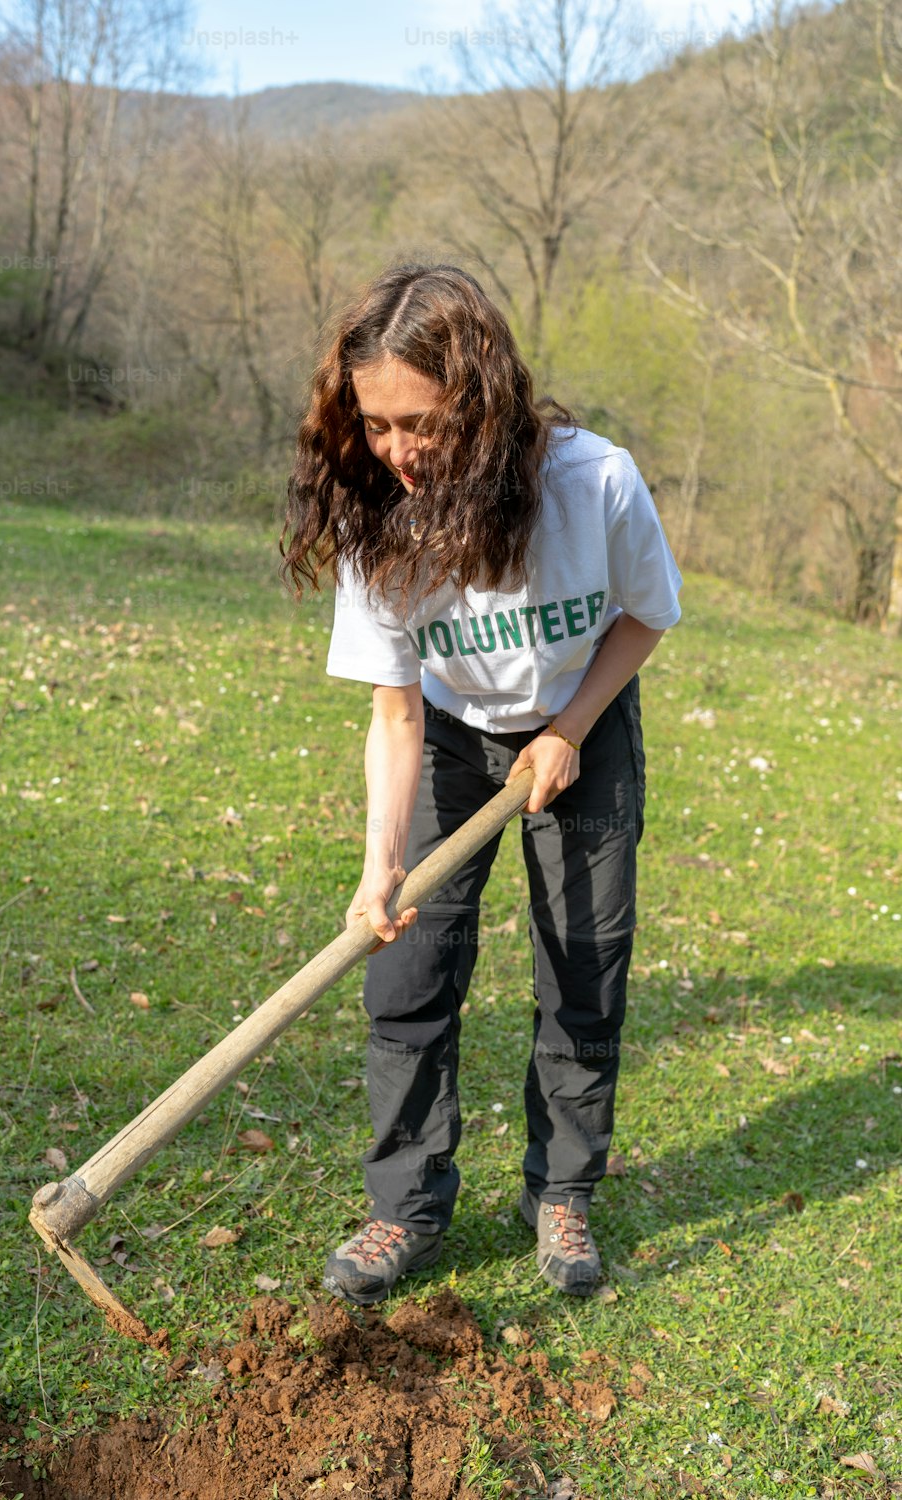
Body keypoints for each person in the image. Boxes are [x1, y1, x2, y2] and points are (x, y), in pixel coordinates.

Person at [281, 263, 681, 1304]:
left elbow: (644, 615)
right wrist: (382, 869)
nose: (398, 452)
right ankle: (403, 1207)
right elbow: (396, 708)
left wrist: (569, 729)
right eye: (374, 425)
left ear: (480, 401)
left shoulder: (593, 483)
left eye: (420, 423)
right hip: (452, 740)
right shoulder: (382, 523)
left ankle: (561, 1188)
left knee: (583, 966)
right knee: (408, 976)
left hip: (582, 725)